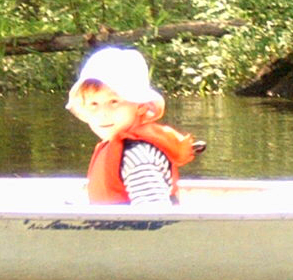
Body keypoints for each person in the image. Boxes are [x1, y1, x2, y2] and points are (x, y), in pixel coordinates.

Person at [66, 46, 198, 206]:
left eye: (114, 102)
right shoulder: (119, 147)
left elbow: (155, 217)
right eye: (94, 104)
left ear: (141, 106)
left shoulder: (137, 157)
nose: (103, 113)